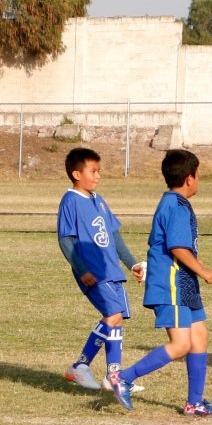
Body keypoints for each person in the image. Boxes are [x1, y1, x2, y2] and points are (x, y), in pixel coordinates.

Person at [108, 149, 212, 416]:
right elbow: (178, 248)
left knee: (199, 336)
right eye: (198, 176)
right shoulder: (177, 205)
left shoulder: (173, 202)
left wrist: (196, 271)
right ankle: (124, 377)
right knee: (181, 344)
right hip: (171, 282)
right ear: (190, 178)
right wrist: (203, 271)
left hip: (183, 282)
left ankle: (195, 403)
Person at [58, 148, 146, 393]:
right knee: (113, 315)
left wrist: (132, 263)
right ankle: (83, 366)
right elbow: (66, 239)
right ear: (76, 174)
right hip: (94, 272)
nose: (97, 176)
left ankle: (111, 375)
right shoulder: (70, 201)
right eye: (92, 171)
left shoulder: (99, 200)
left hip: (112, 270)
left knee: (116, 320)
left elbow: (114, 236)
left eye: (99, 171)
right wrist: (81, 268)